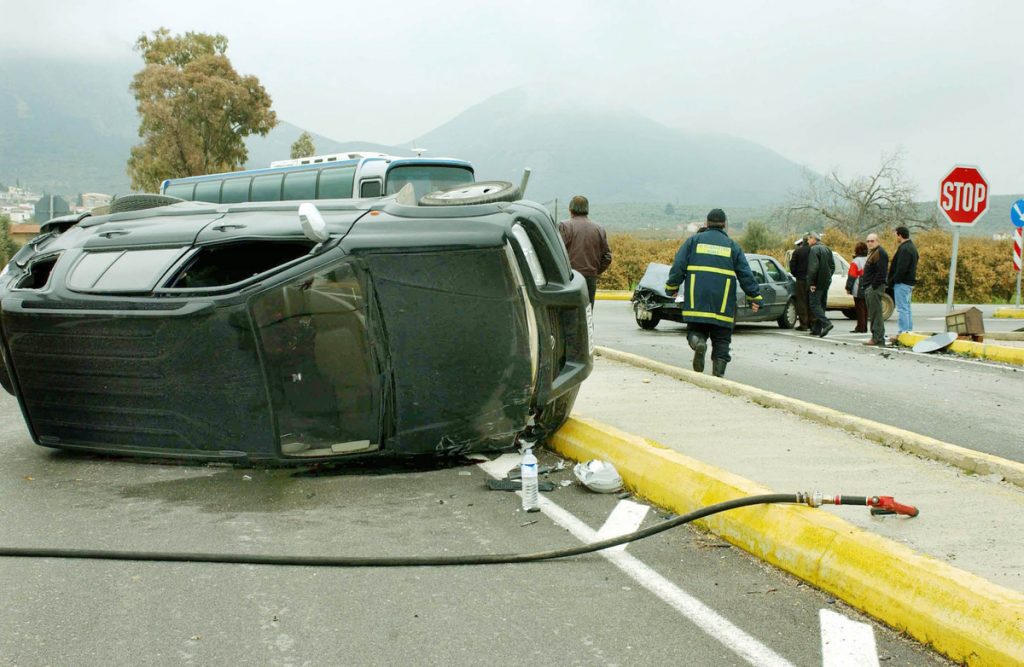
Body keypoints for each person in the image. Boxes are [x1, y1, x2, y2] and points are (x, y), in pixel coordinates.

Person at [665, 208, 763, 377]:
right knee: (722, 340)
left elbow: (678, 266)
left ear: (706, 223)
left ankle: (699, 342)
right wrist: (755, 296)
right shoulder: (733, 246)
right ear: (724, 225)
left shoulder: (693, 242)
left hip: (697, 301)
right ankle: (718, 377)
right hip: (723, 303)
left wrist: (672, 287)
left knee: (695, 330)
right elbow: (745, 274)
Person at [558, 195, 612, 307]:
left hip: (570, 278)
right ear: (587, 209)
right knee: (587, 313)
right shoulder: (599, 229)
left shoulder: (565, 226)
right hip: (590, 278)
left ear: (570, 209)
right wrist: (595, 271)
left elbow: (557, 253)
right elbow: (607, 257)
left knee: (569, 314)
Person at [887, 225, 919, 343]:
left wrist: (893, 280)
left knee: (902, 308)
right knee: (907, 307)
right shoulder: (913, 248)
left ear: (899, 234)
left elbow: (901, 268)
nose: (895, 237)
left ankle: (904, 332)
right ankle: (908, 331)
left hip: (902, 283)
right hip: (909, 282)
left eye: (896, 234)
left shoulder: (905, 249)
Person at [805, 232, 835, 337]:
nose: (807, 241)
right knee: (821, 305)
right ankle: (817, 329)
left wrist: (812, 283)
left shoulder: (814, 250)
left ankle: (827, 323)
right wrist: (828, 277)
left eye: (809, 239)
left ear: (814, 239)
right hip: (825, 281)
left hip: (817, 282)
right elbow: (832, 266)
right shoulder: (827, 249)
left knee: (814, 304)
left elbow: (813, 268)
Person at [862, 233, 889, 346]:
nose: (869, 243)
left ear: (878, 241)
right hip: (870, 286)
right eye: (868, 241)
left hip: (874, 287)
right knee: (873, 313)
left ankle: (877, 337)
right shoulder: (872, 252)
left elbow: (881, 272)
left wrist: (873, 286)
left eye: (872, 241)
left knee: (876, 313)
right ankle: (877, 336)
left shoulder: (880, 252)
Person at [788, 235, 812, 331]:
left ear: (802, 242)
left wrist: (796, 274)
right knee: (811, 301)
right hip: (812, 279)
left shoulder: (797, 252)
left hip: (801, 279)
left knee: (802, 301)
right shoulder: (813, 251)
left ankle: (804, 324)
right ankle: (812, 322)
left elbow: (792, 266)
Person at [846, 241, 868, 333]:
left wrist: (848, 287)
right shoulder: (869, 259)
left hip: (858, 286)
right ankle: (864, 326)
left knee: (859, 308)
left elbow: (852, 276)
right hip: (867, 284)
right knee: (866, 308)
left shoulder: (855, 261)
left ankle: (860, 327)